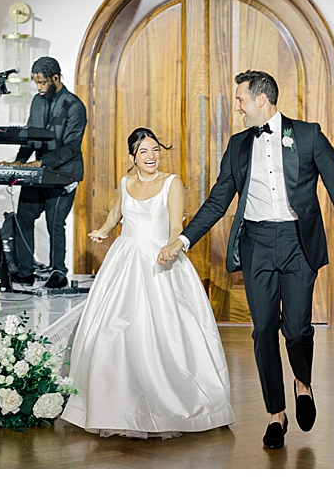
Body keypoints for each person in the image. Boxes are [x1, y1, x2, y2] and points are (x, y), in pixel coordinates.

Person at [159, 70, 334, 449]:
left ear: (261, 100)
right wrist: (183, 240)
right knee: (263, 329)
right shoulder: (237, 145)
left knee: (298, 328)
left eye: (240, 100)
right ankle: (276, 414)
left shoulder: (307, 135)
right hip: (256, 243)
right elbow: (218, 200)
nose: (236, 107)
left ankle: (303, 385)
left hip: (298, 242)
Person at [61, 127, 235, 438]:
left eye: (155, 149)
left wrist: (171, 247)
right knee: (114, 330)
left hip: (159, 259)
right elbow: (116, 214)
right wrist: (102, 230)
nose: (151, 156)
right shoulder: (125, 183)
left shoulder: (171, 183)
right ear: (132, 157)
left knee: (165, 330)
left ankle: (178, 402)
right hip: (125, 260)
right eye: (144, 151)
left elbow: (175, 224)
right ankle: (115, 405)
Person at [0, 56, 87, 289]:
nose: (38, 88)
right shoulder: (38, 102)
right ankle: (25, 271)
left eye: (42, 83)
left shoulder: (74, 106)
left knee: (55, 223)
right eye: (35, 83)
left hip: (63, 174)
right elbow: (30, 135)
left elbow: (71, 147)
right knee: (24, 218)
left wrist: (40, 164)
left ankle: (58, 272)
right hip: (38, 173)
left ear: (55, 78)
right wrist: (19, 162)